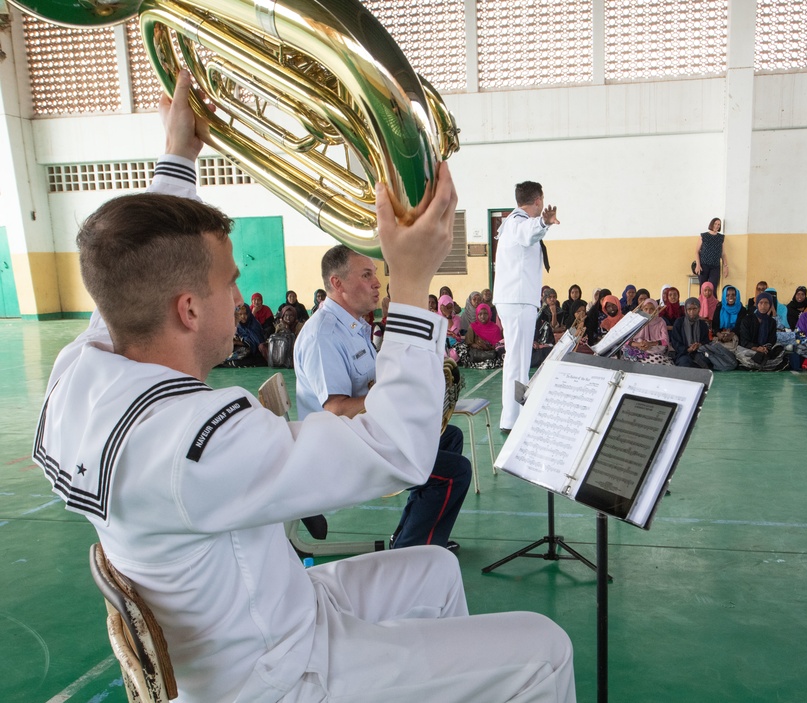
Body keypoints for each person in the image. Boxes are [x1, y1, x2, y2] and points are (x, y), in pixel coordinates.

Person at [33, 72, 575, 703]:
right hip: (278, 674)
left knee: (436, 566)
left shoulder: (86, 366)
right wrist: (411, 283)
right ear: (187, 310)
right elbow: (398, 450)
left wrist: (178, 153)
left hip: (259, 605)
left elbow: (134, 269)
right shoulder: (196, 446)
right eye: (228, 283)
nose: (239, 298)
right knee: (544, 647)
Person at [294, 243, 471, 551]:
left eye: (374, 274)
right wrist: (395, 398)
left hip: (364, 432)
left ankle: (411, 535)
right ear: (337, 284)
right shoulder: (324, 335)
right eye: (366, 275)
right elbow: (335, 409)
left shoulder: (355, 326)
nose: (377, 283)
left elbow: (375, 383)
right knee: (455, 473)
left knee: (448, 438)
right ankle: (411, 553)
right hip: (341, 447)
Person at [493, 181, 558, 431]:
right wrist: (544, 222)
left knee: (516, 360)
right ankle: (513, 418)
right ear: (539, 201)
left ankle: (514, 414)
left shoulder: (512, 221)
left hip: (516, 299)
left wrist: (541, 225)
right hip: (518, 300)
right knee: (518, 361)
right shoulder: (519, 222)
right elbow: (529, 232)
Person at [735, 293, 786, 371]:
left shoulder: (771, 321)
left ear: (770, 305)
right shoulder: (747, 320)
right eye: (761, 303)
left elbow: (772, 340)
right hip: (750, 350)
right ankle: (765, 365)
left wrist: (765, 348)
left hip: (765, 350)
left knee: (780, 350)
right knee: (742, 352)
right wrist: (757, 348)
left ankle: (754, 365)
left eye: (766, 303)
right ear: (757, 304)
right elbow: (744, 340)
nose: (763, 306)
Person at [622, 298, 670, 364]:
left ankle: (640, 363)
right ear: (642, 310)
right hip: (637, 348)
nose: (648, 312)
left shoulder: (661, 322)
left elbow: (665, 341)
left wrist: (650, 344)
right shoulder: (636, 321)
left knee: (657, 359)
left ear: (656, 310)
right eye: (646, 309)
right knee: (626, 350)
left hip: (655, 349)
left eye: (652, 309)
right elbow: (626, 340)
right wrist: (638, 344)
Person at [458, 303, 504, 368]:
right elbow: (468, 343)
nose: (483, 316)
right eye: (480, 314)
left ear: (489, 314)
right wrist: (476, 345)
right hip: (477, 353)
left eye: (485, 313)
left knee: (496, 357)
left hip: (491, 354)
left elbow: (498, 345)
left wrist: (487, 347)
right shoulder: (473, 327)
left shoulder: (495, 328)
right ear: (477, 315)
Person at [669, 297, 711, 368]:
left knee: (704, 361)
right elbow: (675, 342)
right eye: (689, 309)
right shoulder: (679, 322)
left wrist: (699, 345)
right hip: (682, 353)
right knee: (685, 363)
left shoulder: (702, 324)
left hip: (699, 352)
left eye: (694, 309)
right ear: (685, 310)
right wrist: (687, 349)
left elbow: (706, 340)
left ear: (699, 309)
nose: (692, 312)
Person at [694, 217, 728, 291]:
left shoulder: (721, 237)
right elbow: (697, 251)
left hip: (715, 266)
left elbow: (723, 253)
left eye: (719, 224)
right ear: (712, 224)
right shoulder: (703, 236)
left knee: (713, 287)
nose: (717, 226)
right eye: (715, 224)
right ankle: (702, 302)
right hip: (703, 265)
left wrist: (726, 266)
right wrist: (698, 265)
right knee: (703, 288)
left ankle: (714, 303)